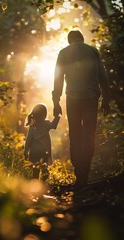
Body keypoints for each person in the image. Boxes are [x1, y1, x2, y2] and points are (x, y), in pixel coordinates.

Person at [52, 30, 110, 188]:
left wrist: (56, 101)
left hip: (73, 99)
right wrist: (106, 99)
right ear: (82, 39)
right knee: (89, 135)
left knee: (75, 135)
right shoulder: (92, 51)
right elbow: (103, 77)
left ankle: (79, 173)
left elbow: (58, 79)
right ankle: (85, 172)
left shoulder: (63, 52)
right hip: (91, 99)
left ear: (69, 40)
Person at [24, 104, 60, 179]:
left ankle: (35, 186)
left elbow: (28, 140)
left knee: (35, 171)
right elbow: (54, 125)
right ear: (45, 115)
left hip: (34, 152)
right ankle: (44, 186)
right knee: (44, 170)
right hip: (44, 152)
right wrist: (57, 116)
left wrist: (26, 151)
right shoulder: (46, 124)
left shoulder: (32, 126)